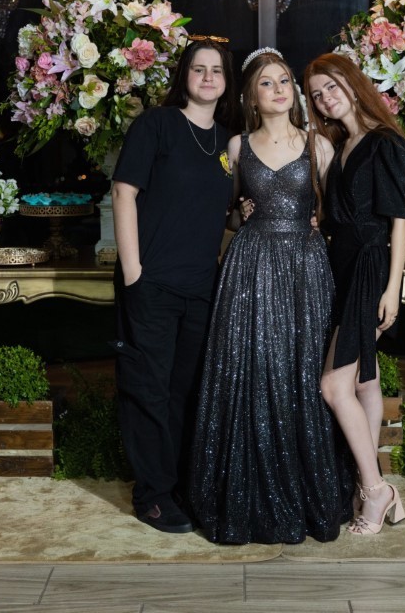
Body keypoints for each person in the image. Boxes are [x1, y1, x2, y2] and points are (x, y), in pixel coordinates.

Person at [190, 47, 354, 545]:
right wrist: (237, 215)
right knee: (254, 370)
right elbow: (225, 216)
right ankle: (247, 497)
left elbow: (337, 216)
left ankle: (309, 493)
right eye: (267, 83)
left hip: (305, 269)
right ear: (251, 97)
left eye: (284, 81)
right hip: (250, 267)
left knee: (302, 372)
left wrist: (319, 223)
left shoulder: (318, 146)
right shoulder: (235, 147)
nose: (279, 89)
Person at [111, 36, 240, 534]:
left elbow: (218, 214)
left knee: (184, 391)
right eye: (199, 68)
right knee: (148, 391)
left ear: (226, 82)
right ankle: (153, 497)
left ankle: (179, 486)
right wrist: (134, 272)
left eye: (217, 70)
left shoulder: (227, 142)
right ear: (184, 75)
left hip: (201, 289)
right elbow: (123, 193)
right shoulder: (157, 125)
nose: (208, 77)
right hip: (153, 283)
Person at [303, 52, 405, 536]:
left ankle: (376, 490)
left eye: (331, 87)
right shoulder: (342, 145)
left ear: (353, 83)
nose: (325, 99)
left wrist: (392, 289)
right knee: (363, 383)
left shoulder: (385, 142)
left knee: (334, 386)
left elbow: (400, 221)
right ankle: (364, 484)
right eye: (316, 95)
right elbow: (339, 215)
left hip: (372, 270)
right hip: (342, 267)